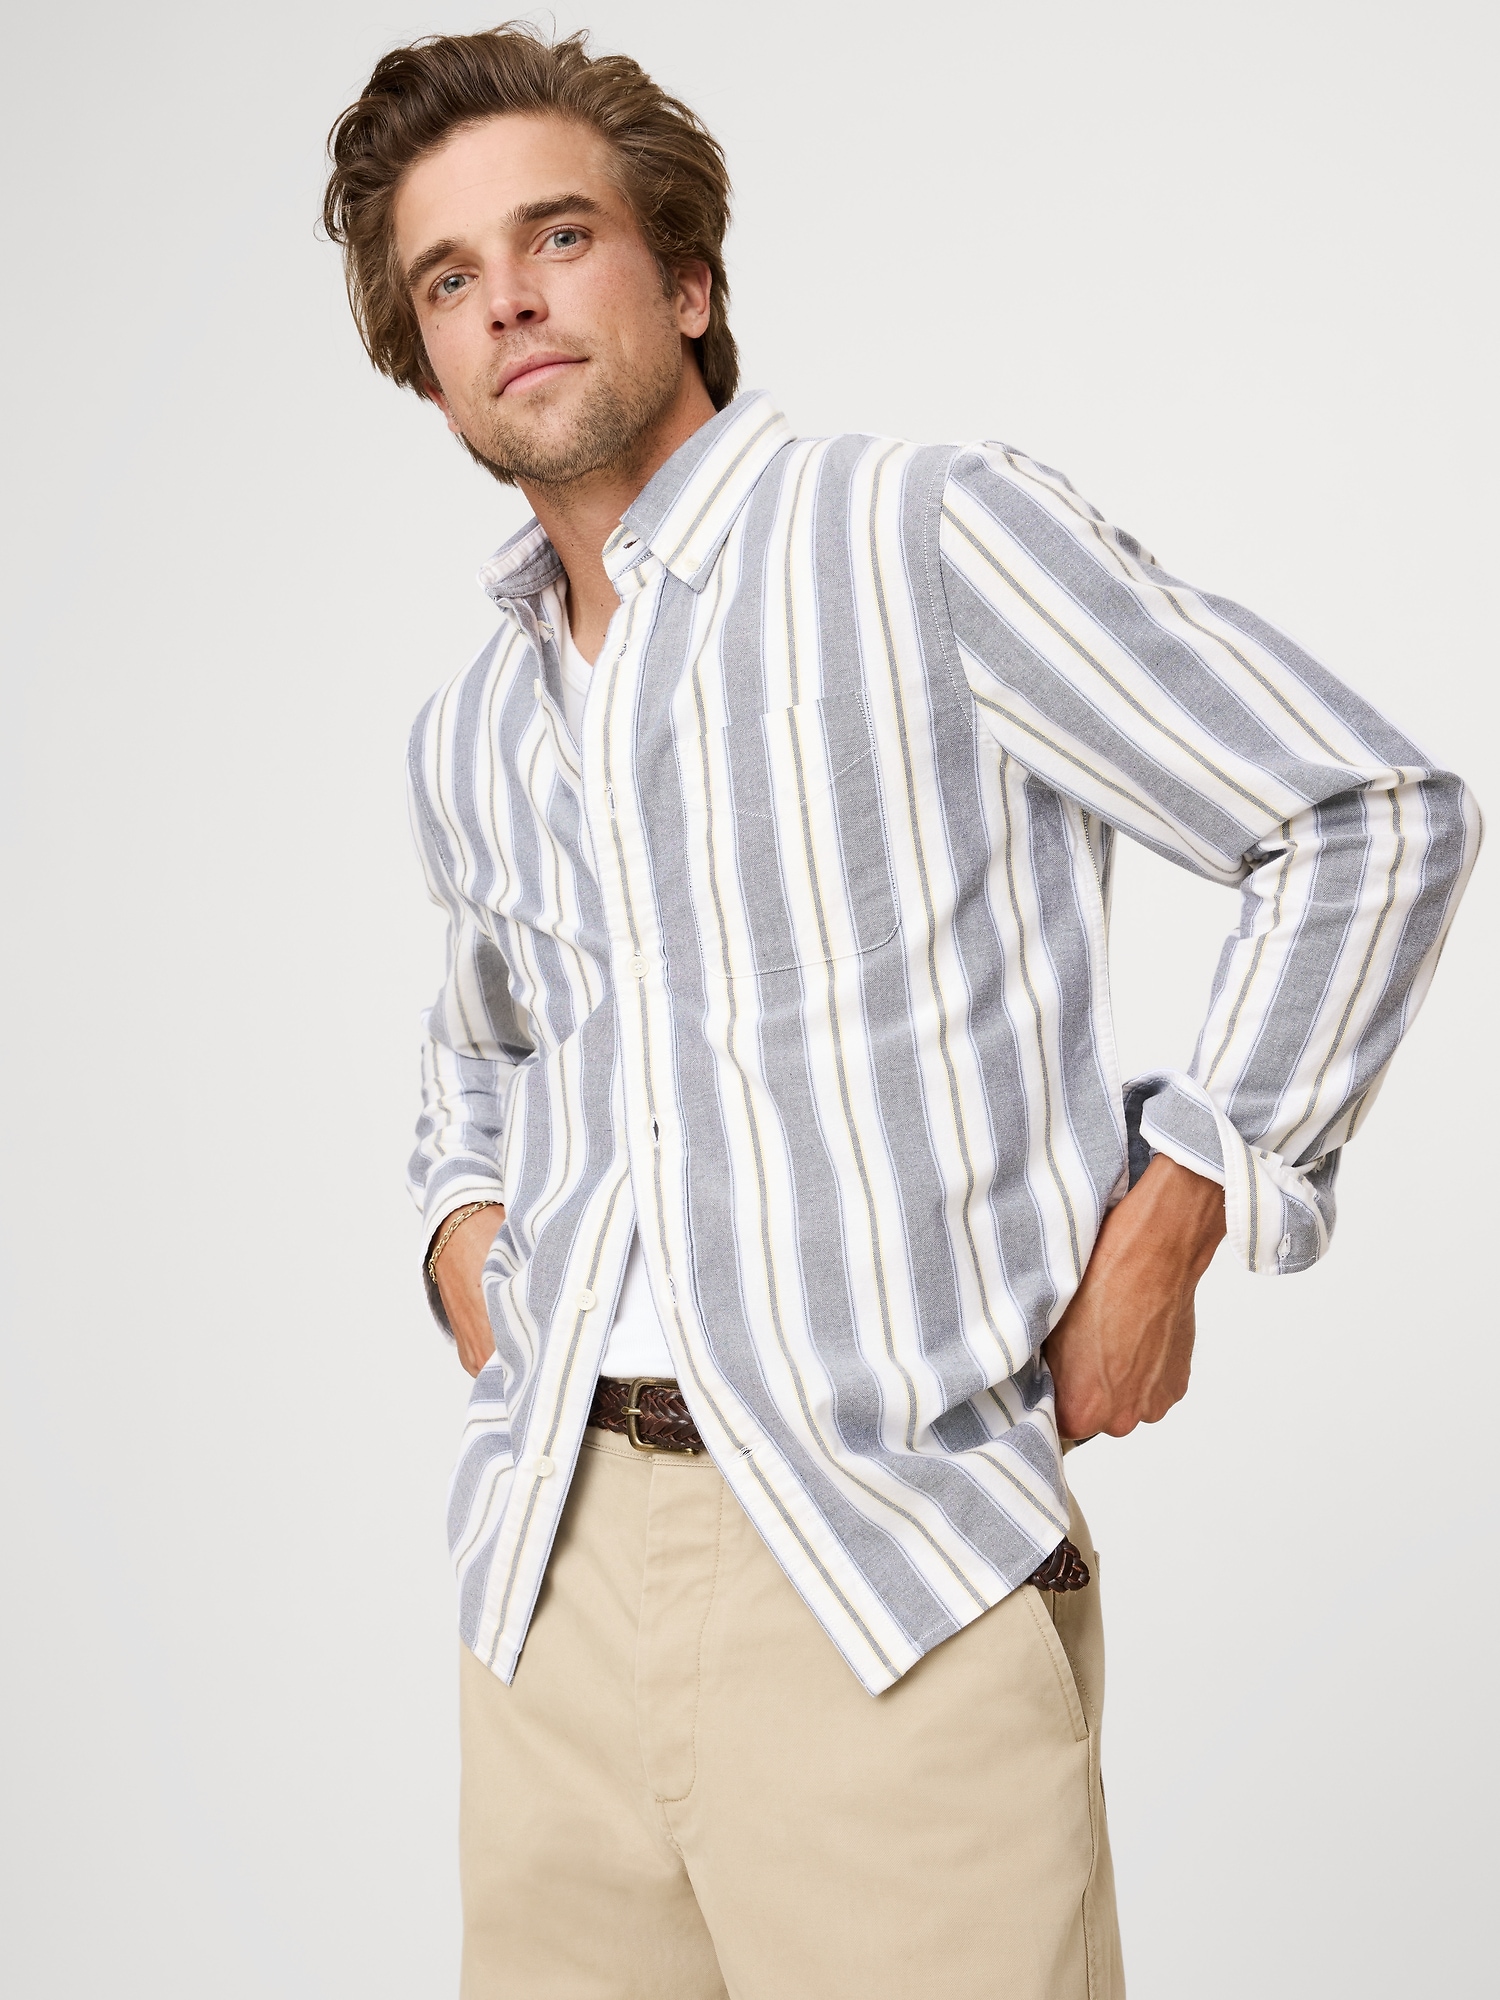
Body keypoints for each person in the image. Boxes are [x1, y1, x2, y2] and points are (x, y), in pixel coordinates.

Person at [322, 23, 1479, 1997]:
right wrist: (462, 1230)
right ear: (425, 364)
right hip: (545, 1598)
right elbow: (488, 1039)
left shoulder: (915, 540)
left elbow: (1362, 815)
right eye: (449, 278)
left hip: (883, 1575)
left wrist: (1185, 1202)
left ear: (687, 279)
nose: (506, 296)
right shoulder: (475, 729)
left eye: (559, 235)